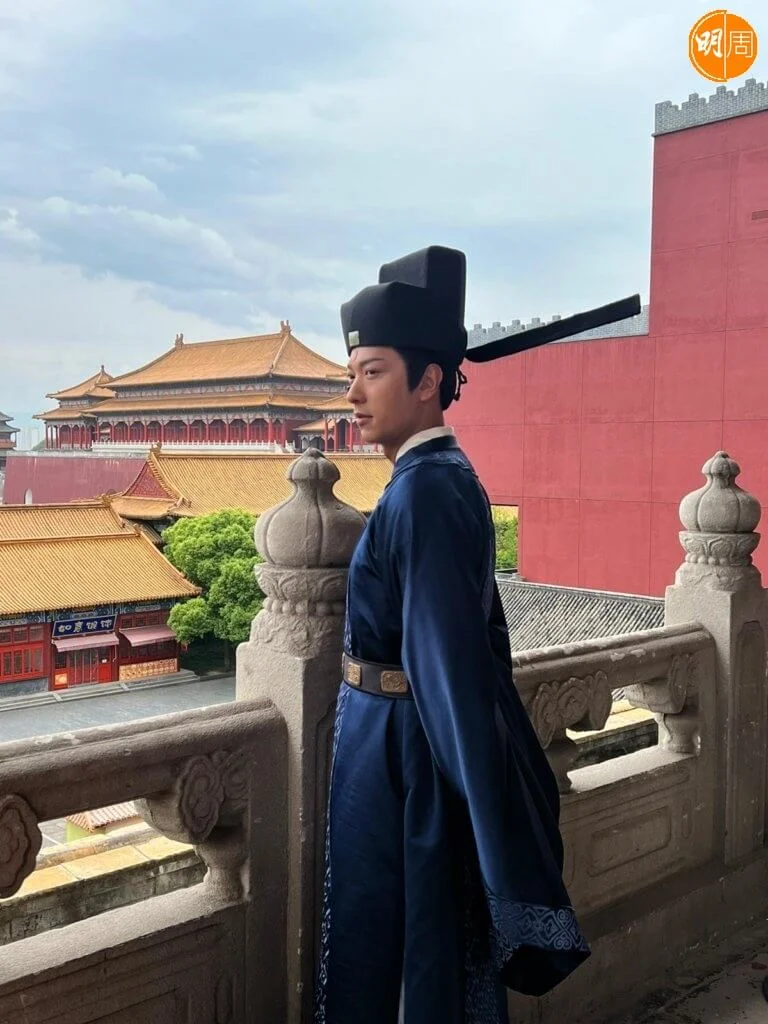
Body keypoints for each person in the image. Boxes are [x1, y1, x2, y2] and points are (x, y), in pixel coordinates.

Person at [314, 246, 631, 1024]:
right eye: (352, 372)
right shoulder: (432, 480)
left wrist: (493, 832)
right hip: (391, 748)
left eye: (373, 372)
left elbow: (449, 672)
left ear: (428, 381)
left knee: (406, 954)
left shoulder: (425, 495)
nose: (353, 394)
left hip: (404, 763)